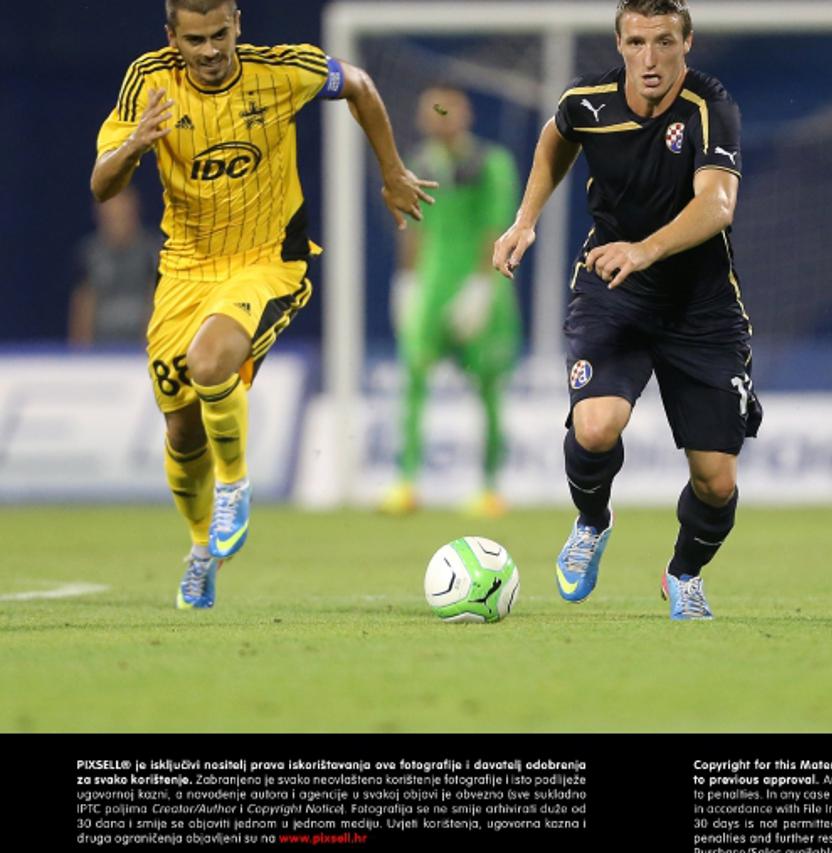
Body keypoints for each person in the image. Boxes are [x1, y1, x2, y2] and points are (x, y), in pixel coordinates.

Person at [91, 0, 435, 608]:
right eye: (195, 39)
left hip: (268, 261)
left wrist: (391, 171)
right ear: (173, 37)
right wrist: (135, 146)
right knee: (179, 426)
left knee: (210, 363)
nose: (210, 50)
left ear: (238, 23)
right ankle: (202, 551)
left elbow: (360, 84)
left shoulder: (282, 72)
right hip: (184, 270)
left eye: (220, 34)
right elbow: (101, 184)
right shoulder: (148, 82)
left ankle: (234, 484)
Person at [492, 0, 761, 620]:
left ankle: (683, 574)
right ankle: (591, 521)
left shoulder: (709, 107)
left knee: (716, 480)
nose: (650, 59)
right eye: (637, 42)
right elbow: (556, 137)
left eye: (664, 42)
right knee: (594, 427)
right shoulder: (588, 103)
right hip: (612, 288)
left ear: (686, 43)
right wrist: (525, 220)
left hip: (702, 307)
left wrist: (646, 249)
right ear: (619, 45)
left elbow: (718, 205)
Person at [381, 85, 521, 519]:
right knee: (414, 382)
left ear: (466, 116)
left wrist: (481, 287)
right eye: (432, 113)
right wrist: (406, 281)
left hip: (483, 290)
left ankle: (491, 487)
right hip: (430, 287)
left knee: (489, 388)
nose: (440, 120)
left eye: (447, 112)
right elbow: (412, 228)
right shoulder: (418, 165)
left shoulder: (492, 164)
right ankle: (406, 483)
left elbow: (495, 227)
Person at [69, 187, 164, 347]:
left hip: (139, 353)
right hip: (100, 355)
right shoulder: (90, 255)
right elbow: (83, 306)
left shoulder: (152, 253)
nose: (117, 221)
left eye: (122, 216)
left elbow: (157, 303)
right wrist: (82, 359)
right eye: (111, 216)